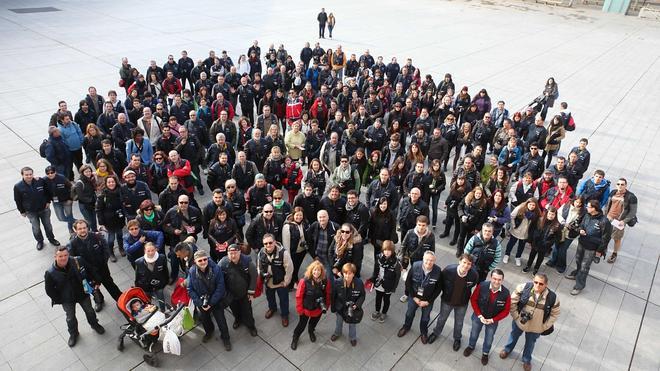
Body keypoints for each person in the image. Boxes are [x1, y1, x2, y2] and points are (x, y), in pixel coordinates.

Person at [45, 247, 105, 347]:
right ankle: (73, 334)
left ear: (68, 255)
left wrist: (97, 281)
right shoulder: (50, 272)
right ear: (55, 257)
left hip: (82, 294)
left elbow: (91, 270)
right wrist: (60, 299)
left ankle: (94, 324)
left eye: (65, 255)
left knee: (89, 311)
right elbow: (49, 290)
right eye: (60, 256)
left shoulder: (77, 260)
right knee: (70, 317)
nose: (63, 258)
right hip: (67, 299)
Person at [500, 273, 560, 371]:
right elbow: (512, 302)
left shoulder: (552, 297)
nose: (537, 285)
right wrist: (516, 317)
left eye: (541, 284)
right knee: (513, 336)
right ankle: (507, 350)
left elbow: (555, 314)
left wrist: (544, 326)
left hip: (536, 328)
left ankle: (526, 360)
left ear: (546, 285)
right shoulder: (523, 288)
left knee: (530, 343)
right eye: (535, 282)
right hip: (519, 322)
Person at [68, 219, 122, 312]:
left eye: (84, 228)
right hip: (88, 273)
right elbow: (73, 260)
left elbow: (106, 250)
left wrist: (103, 262)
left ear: (87, 228)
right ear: (75, 230)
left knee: (110, 284)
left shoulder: (97, 236)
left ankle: (120, 299)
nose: (82, 230)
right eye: (80, 228)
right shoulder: (72, 244)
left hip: (102, 268)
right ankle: (99, 301)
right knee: (94, 289)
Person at [428, 254, 478, 349]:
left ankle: (457, 339)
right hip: (447, 301)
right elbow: (441, 283)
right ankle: (436, 333)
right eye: (464, 262)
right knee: (442, 318)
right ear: (459, 261)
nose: (466, 266)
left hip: (462, 304)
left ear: (471, 265)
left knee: (459, 322)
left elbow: (473, 285)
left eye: (469, 264)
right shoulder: (448, 270)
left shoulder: (474, 275)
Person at [463, 269, 511, 365]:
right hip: (478, 317)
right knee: (474, 333)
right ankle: (471, 346)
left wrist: (493, 320)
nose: (496, 282)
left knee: (489, 338)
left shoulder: (506, 293)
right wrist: (479, 315)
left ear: (503, 280)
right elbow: (473, 300)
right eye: (494, 279)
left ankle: (485, 353)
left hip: (492, 320)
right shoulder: (482, 286)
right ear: (490, 278)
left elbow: (506, 310)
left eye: (499, 279)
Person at [187, 250, 232, 350]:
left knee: (221, 321)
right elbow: (190, 289)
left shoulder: (216, 269)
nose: (203, 262)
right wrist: (199, 302)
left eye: (205, 259)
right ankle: (209, 332)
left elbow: (220, 288)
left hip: (215, 302)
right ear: (195, 262)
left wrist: (211, 303)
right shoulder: (192, 271)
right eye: (200, 260)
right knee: (205, 320)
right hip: (201, 302)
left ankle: (226, 338)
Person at [565, 200, 612, 295]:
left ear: (594, 208)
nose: (586, 207)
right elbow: (581, 225)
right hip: (582, 243)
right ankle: (576, 274)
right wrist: (581, 230)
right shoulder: (586, 215)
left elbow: (606, 238)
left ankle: (579, 285)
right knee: (578, 260)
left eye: (589, 206)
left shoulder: (604, 221)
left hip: (591, 248)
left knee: (584, 267)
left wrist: (599, 251)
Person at [397, 251, 442, 343]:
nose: (428, 262)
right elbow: (408, 282)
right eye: (426, 260)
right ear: (423, 259)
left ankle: (424, 332)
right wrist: (413, 297)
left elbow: (438, 289)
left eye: (431, 260)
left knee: (425, 317)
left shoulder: (438, 271)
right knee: (409, 313)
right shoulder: (415, 266)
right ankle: (406, 327)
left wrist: (428, 301)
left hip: (427, 300)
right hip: (414, 297)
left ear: (434, 261)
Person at [14, 167, 60, 250]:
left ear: (33, 174)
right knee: (36, 228)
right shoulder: (18, 186)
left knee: (48, 226)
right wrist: (22, 211)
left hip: (44, 209)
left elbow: (47, 192)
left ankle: (51, 239)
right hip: (31, 212)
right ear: (22, 175)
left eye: (30, 174)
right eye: (26, 175)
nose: (29, 176)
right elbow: (17, 200)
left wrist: (48, 202)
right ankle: (40, 241)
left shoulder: (40, 181)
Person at [291, 260, 332, 350]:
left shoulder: (325, 281)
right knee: (301, 325)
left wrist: (327, 305)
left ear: (321, 272)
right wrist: (300, 310)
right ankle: (295, 337)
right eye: (314, 270)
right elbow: (299, 296)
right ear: (311, 270)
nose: (316, 272)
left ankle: (311, 331)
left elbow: (328, 294)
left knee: (313, 323)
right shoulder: (304, 281)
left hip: (318, 310)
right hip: (306, 310)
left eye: (318, 270)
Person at [219, 244, 258, 336]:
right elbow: (219, 279)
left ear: (240, 252)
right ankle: (238, 319)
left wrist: (251, 292)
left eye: (235, 253)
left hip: (245, 293)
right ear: (227, 254)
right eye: (231, 253)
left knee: (247, 311)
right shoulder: (222, 263)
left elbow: (254, 276)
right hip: (231, 294)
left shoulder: (247, 262)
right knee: (234, 309)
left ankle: (251, 326)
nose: (233, 255)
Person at [257, 233, 293, 327]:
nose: (268, 245)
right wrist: (261, 274)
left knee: (283, 300)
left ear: (275, 242)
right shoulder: (261, 252)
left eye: (270, 242)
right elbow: (259, 266)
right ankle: (272, 308)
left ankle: (285, 315)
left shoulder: (283, 253)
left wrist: (286, 282)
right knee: (270, 298)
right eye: (265, 243)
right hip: (268, 282)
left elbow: (289, 268)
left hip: (280, 283)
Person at [603, 178, 638, 264]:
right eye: (618, 184)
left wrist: (624, 221)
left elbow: (633, 212)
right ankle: (603, 249)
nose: (620, 186)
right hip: (608, 218)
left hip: (619, 221)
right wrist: (604, 215)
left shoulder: (631, 197)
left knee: (616, 238)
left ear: (626, 185)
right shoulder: (613, 192)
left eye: (622, 184)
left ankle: (614, 254)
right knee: (604, 235)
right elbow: (608, 204)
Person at [331, 263, 365, 346]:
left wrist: (356, 305)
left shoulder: (359, 283)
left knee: (352, 324)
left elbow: (362, 295)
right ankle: (337, 333)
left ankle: (352, 337)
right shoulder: (337, 282)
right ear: (342, 273)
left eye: (350, 273)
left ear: (353, 274)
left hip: (352, 309)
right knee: (339, 322)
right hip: (340, 308)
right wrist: (333, 308)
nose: (347, 276)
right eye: (345, 273)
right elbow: (333, 296)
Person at [368, 240, 401, 323]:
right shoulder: (379, 257)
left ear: (392, 251)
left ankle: (384, 313)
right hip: (379, 282)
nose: (387, 252)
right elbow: (375, 269)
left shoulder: (395, 262)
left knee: (386, 299)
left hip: (389, 284)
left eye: (389, 250)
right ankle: (377, 311)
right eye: (385, 250)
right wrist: (373, 279)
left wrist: (394, 287)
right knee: (378, 298)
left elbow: (397, 276)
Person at [504, 198, 541, 267]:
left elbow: (536, 224)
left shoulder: (536, 213)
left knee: (521, 246)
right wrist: (513, 225)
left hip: (526, 232)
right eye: (530, 204)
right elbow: (512, 216)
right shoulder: (520, 208)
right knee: (511, 243)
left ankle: (518, 257)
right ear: (527, 203)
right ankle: (507, 254)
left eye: (533, 205)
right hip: (517, 229)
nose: (531, 206)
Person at [95, 176, 126, 261]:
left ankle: (121, 248)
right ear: (106, 184)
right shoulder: (102, 196)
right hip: (108, 221)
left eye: (113, 182)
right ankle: (111, 253)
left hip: (119, 219)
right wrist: (101, 223)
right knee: (111, 239)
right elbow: (98, 210)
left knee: (120, 235)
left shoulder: (120, 192)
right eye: (109, 182)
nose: (111, 184)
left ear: (116, 182)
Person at [524, 206, 561, 275]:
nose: (550, 216)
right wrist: (531, 239)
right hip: (536, 242)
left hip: (545, 245)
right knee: (532, 255)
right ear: (547, 213)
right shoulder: (540, 220)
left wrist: (549, 243)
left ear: (555, 215)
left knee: (540, 258)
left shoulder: (557, 225)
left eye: (552, 214)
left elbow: (558, 237)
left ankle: (536, 268)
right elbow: (532, 229)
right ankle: (528, 266)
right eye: (549, 214)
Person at [134, 242, 169, 311]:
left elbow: (165, 271)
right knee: (147, 301)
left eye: (152, 250)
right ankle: (150, 313)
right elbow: (137, 276)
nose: (151, 253)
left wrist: (165, 282)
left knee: (161, 299)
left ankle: (163, 311)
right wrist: (137, 287)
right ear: (145, 251)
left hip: (158, 285)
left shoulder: (162, 257)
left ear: (156, 249)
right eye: (148, 251)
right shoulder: (138, 262)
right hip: (146, 286)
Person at [43, 165, 75, 232]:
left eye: (52, 172)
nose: (50, 174)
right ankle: (77, 221)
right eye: (48, 173)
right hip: (56, 202)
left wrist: (71, 199)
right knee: (61, 218)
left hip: (66, 200)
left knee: (69, 215)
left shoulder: (62, 178)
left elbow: (72, 188)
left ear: (55, 172)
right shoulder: (44, 180)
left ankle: (70, 229)